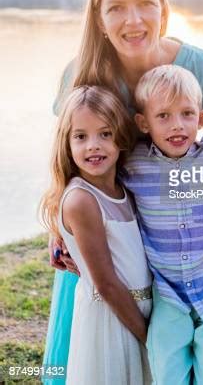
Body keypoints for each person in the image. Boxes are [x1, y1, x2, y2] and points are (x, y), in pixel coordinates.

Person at [43, 0, 203, 382]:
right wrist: (58, 223)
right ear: (98, 17)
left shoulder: (200, 67)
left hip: (186, 248)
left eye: (146, 3)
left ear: (163, 7)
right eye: (116, 7)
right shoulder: (82, 75)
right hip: (111, 240)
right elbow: (64, 161)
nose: (134, 19)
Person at [124, 65, 203, 385]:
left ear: (202, 119)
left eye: (187, 114)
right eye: (163, 116)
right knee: (165, 369)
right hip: (169, 295)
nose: (177, 125)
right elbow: (89, 184)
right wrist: (59, 232)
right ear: (143, 123)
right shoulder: (132, 164)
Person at [40, 85, 152, 384]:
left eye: (105, 133)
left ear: (121, 138)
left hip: (137, 311)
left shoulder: (124, 189)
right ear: (67, 142)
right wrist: (149, 337)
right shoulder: (82, 200)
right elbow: (106, 284)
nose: (94, 145)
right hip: (112, 320)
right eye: (81, 136)